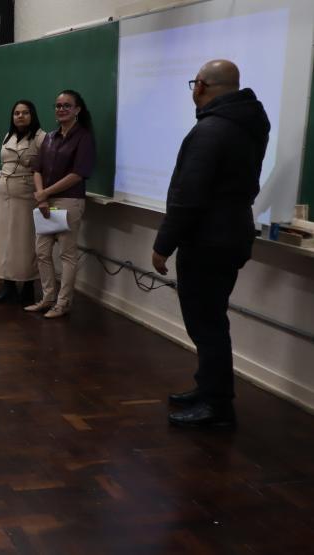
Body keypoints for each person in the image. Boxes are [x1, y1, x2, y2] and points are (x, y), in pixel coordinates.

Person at [152, 60, 270, 428]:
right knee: (211, 319)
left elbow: (189, 196)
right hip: (231, 234)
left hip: (207, 239)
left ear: (201, 86)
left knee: (207, 324)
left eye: (193, 84)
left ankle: (217, 406)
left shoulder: (211, 131)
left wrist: (163, 244)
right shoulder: (249, 123)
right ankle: (208, 390)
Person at [24, 89, 96, 319]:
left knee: (67, 254)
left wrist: (45, 193)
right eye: (58, 105)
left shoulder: (83, 137)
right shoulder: (50, 137)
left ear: (77, 110)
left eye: (66, 105)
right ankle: (47, 298)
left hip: (69, 200)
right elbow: (37, 169)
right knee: (42, 252)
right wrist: (42, 197)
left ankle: (63, 303)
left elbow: (78, 174)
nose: (61, 109)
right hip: (46, 200)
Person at [0, 100, 46, 306]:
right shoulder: (8, 136)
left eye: (25, 113)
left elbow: (45, 169)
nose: (20, 116)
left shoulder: (41, 138)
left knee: (24, 243)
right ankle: (8, 287)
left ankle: (28, 288)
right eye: (16, 113)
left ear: (32, 115)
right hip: (3, 192)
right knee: (4, 241)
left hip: (26, 195)